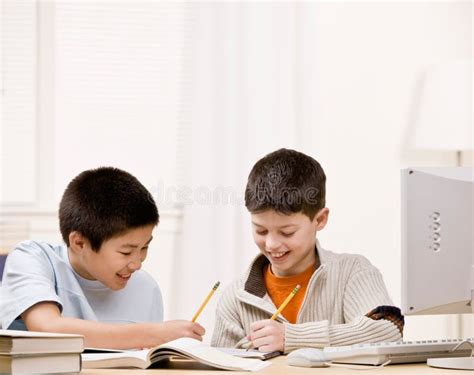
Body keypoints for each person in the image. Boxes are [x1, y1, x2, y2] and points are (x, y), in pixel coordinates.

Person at [211, 149, 403, 353]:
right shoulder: (235, 297)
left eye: (287, 232)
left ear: (320, 220)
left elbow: (389, 330)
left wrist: (292, 337)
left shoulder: (353, 272)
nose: (271, 244)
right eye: (261, 230)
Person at [0, 167, 204, 349]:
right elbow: (46, 328)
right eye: (126, 252)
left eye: (145, 247)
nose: (137, 264)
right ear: (79, 243)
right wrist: (154, 334)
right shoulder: (34, 258)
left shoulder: (145, 288)